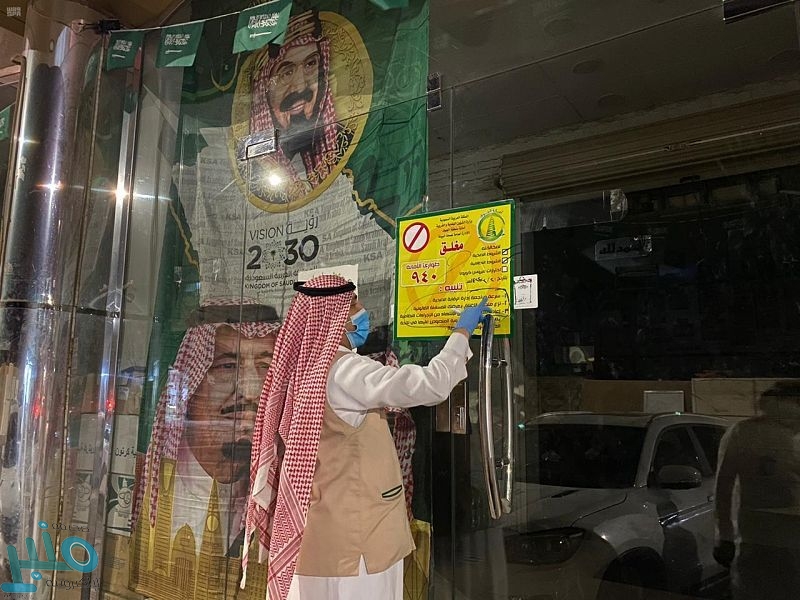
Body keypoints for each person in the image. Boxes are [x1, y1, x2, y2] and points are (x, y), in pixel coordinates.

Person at [240, 274, 490, 600]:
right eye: (354, 303)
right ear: (334, 315)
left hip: (317, 535)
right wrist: (462, 333)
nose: (362, 311)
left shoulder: (303, 371)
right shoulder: (344, 370)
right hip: (358, 544)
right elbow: (429, 386)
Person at [130, 298, 281, 557]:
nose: (251, 391)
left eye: (265, 366)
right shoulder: (151, 481)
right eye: (227, 366)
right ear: (192, 380)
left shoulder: (270, 490)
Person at [247, 10, 350, 203]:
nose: (301, 87)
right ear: (264, 90)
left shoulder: (343, 143)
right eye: (286, 73)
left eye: (311, 64)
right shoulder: (254, 172)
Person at [714, 380, 800, 600]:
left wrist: (725, 536)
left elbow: (724, 487)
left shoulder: (743, 431)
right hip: (762, 537)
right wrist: (725, 536)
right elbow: (724, 486)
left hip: (755, 536)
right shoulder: (745, 432)